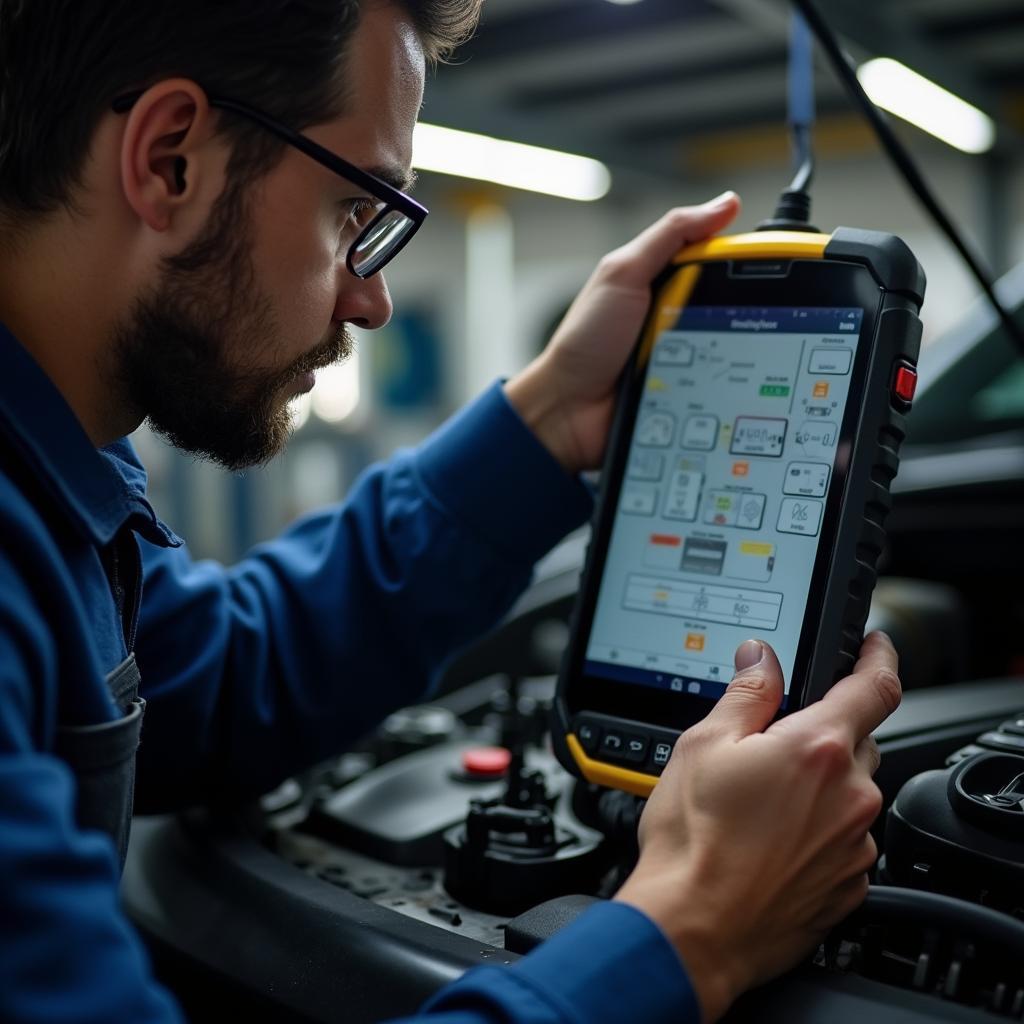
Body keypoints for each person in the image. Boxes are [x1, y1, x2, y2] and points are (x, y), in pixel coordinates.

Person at [0, 1, 901, 1022]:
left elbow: (211, 682)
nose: (370, 299)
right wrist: (687, 929)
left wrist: (555, 415)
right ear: (171, 159)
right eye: (354, 212)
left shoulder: (54, 478)